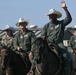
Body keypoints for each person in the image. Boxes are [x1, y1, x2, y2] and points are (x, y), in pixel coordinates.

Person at [41, 1, 72, 75]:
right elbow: (42, 36)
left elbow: (69, 19)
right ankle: (33, 70)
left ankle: (66, 72)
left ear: (56, 16)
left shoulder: (61, 23)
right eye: (50, 16)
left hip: (59, 44)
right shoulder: (46, 26)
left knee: (66, 56)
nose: (50, 17)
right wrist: (44, 38)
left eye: (52, 15)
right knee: (37, 55)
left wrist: (65, 8)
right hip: (48, 44)